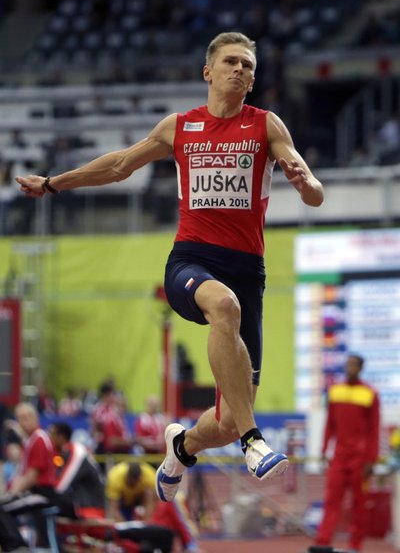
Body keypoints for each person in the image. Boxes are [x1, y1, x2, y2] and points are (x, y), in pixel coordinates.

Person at [15, 31, 324, 503]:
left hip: (247, 272)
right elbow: (120, 164)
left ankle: (181, 446)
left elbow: (314, 190)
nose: (241, 71)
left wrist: (305, 184)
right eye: (231, 62)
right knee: (223, 306)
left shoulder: (266, 126)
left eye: (249, 66)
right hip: (191, 262)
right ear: (209, 71)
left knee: (221, 422)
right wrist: (54, 183)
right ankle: (253, 441)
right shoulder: (180, 127)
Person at [310, 354, 380, 553]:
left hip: (361, 459)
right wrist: (324, 450)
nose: (349, 368)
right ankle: (322, 542)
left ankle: (355, 545)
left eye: (353, 365)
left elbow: (374, 429)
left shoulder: (370, 394)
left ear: (360, 368)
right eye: (348, 364)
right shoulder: (335, 392)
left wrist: (371, 460)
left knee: (359, 503)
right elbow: (329, 424)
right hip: (339, 458)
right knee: (331, 501)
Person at [0, 402, 58, 551]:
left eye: (26, 417)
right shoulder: (30, 440)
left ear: (35, 418)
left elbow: (31, 477)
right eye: (20, 418)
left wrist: (11, 494)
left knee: (2, 507)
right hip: (34, 491)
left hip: (42, 493)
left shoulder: (39, 439)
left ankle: (17, 546)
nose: (23, 422)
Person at [106, 460, 201, 552]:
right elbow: (114, 508)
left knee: (151, 500)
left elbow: (154, 503)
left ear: (140, 479)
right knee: (124, 531)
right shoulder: (115, 478)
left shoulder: (150, 478)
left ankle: (189, 545)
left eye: (135, 483)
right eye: (131, 484)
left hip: (143, 500)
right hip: (123, 501)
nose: (133, 486)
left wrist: (146, 526)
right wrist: (125, 528)